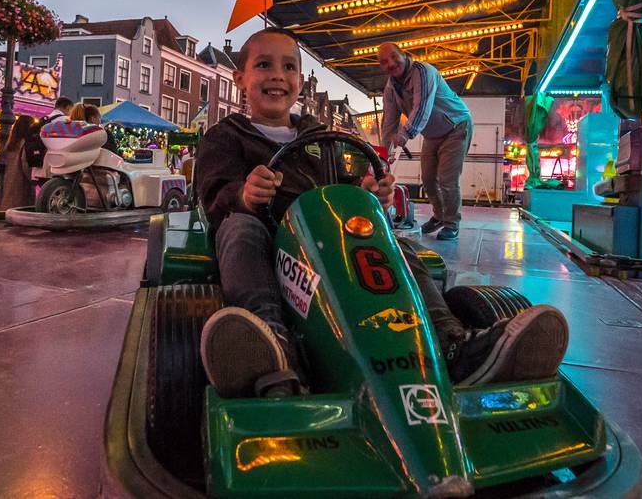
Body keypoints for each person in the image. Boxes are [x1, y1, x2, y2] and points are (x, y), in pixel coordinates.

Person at [196, 27, 568, 398]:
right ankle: (272, 340)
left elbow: (346, 187)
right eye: (264, 65)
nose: (279, 75)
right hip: (270, 247)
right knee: (240, 228)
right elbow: (212, 193)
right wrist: (244, 196)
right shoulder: (225, 136)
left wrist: (368, 194)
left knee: (398, 247)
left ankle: (451, 342)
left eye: (289, 67)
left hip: (326, 250)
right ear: (239, 78)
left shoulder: (320, 136)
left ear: (299, 81)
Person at [378, 42, 474, 241]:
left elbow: (422, 108)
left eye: (394, 56)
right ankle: (439, 216)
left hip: (456, 126)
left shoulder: (423, 71)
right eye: (384, 62)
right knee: (429, 180)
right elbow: (389, 122)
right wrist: (382, 156)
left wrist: (405, 134)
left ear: (404, 54)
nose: (391, 63)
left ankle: (452, 223)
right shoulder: (390, 88)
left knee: (447, 180)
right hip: (433, 134)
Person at [0, 114, 36, 209]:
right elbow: (25, 163)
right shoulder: (26, 143)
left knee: (9, 203)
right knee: (20, 207)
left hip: (10, 178)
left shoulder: (12, 142)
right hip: (21, 180)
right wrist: (33, 179)